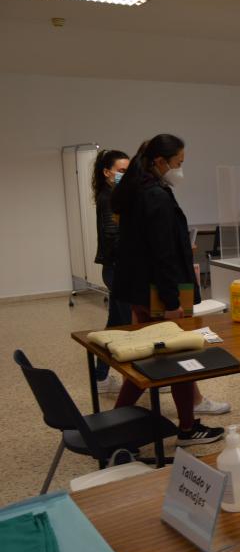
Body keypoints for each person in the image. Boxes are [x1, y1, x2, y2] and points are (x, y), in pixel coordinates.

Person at [111, 134, 225, 445]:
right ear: (161, 161)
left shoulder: (135, 190)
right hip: (163, 291)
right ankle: (187, 429)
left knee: (149, 360)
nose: (180, 169)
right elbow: (162, 253)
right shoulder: (155, 195)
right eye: (179, 163)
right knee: (179, 359)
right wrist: (173, 300)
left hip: (141, 290)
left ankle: (113, 424)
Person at [91, 149, 132, 394]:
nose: (125, 176)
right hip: (118, 269)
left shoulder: (112, 195)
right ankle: (140, 380)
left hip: (115, 269)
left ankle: (100, 378)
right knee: (129, 328)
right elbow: (112, 235)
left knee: (115, 324)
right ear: (107, 172)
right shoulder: (110, 199)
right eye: (121, 171)